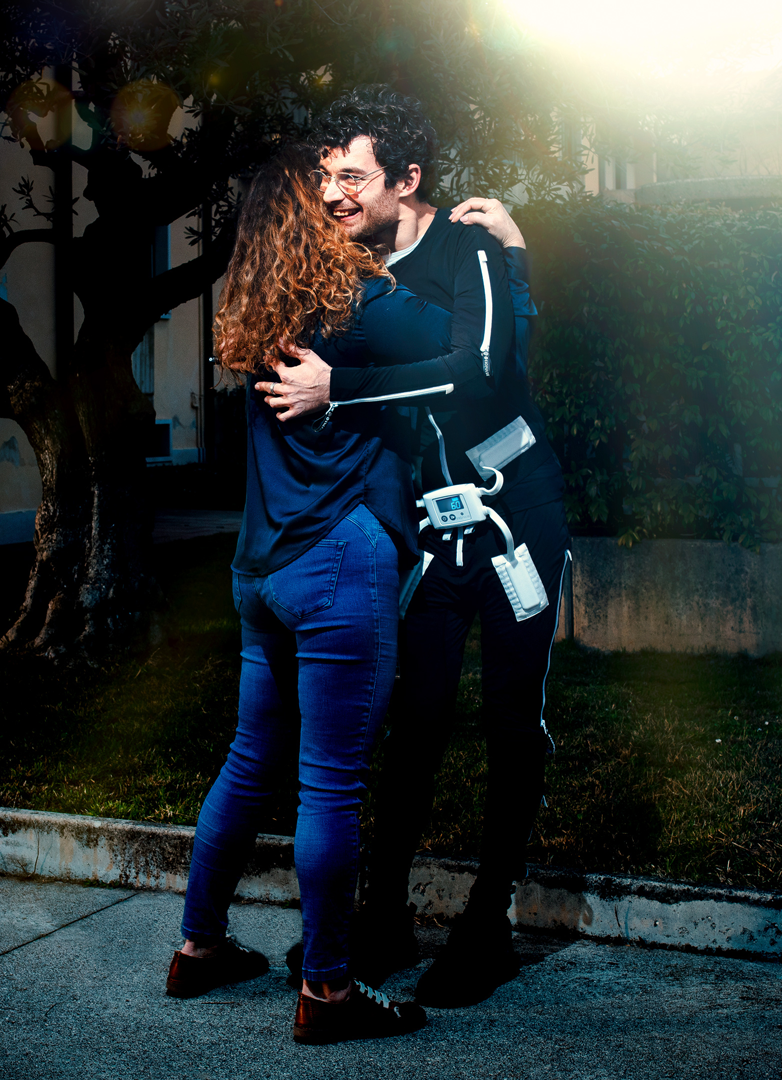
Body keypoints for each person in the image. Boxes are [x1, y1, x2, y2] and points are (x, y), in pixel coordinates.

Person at [168, 144, 493, 1045]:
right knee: (331, 785)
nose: (340, 198)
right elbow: (471, 346)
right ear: (309, 219)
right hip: (336, 564)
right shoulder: (357, 301)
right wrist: (504, 249)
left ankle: (197, 948)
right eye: (327, 194)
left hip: (258, 568)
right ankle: (330, 995)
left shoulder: (253, 303)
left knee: (246, 762)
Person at [260, 85, 571, 1009]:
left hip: (519, 514)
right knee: (417, 718)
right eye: (326, 177)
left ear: (407, 177)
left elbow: (482, 371)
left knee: (511, 719)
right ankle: (385, 917)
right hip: (435, 534)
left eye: (351, 176)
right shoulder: (355, 271)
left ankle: (488, 927)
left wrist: (341, 390)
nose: (333, 194)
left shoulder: (467, 245)